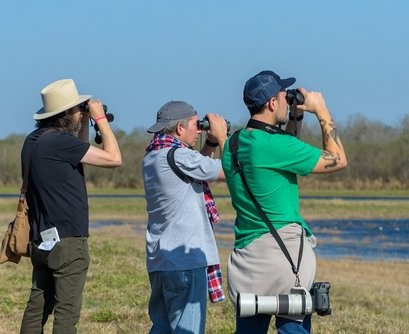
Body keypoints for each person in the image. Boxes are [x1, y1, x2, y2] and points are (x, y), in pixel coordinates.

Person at [221, 70, 347, 333]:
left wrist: (295, 116)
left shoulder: (233, 144)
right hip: (286, 258)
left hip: (249, 259)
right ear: (272, 103)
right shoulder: (276, 147)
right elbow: (338, 159)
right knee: (292, 329)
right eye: (282, 94)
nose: (285, 96)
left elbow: (280, 149)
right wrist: (321, 111)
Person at [19, 78, 122, 334]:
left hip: (41, 239)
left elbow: (79, 151)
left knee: (38, 305)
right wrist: (100, 120)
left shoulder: (34, 141)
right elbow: (114, 158)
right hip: (67, 242)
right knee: (67, 312)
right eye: (79, 108)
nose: (82, 111)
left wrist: (84, 121)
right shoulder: (60, 144)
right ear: (67, 113)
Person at [142, 100, 228, 334]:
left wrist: (208, 142)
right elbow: (229, 169)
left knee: (162, 328)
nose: (199, 129)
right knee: (186, 330)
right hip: (185, 261)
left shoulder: (154, 156)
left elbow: (197, 170)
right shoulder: (179, 157)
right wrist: (221, 138)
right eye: (195, 124)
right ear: (180, 128)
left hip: (161, 259)